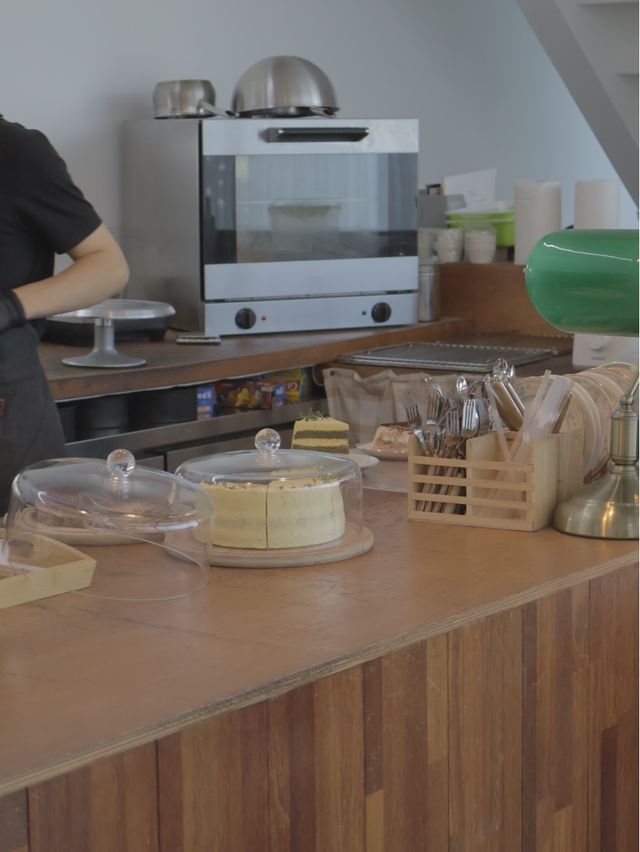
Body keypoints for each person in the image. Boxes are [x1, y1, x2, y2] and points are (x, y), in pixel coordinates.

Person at [0, 115, 129, 512]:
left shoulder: (16, 152)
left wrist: (8, 307)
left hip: (5, 398)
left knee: (23, 558)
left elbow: (108, 266)